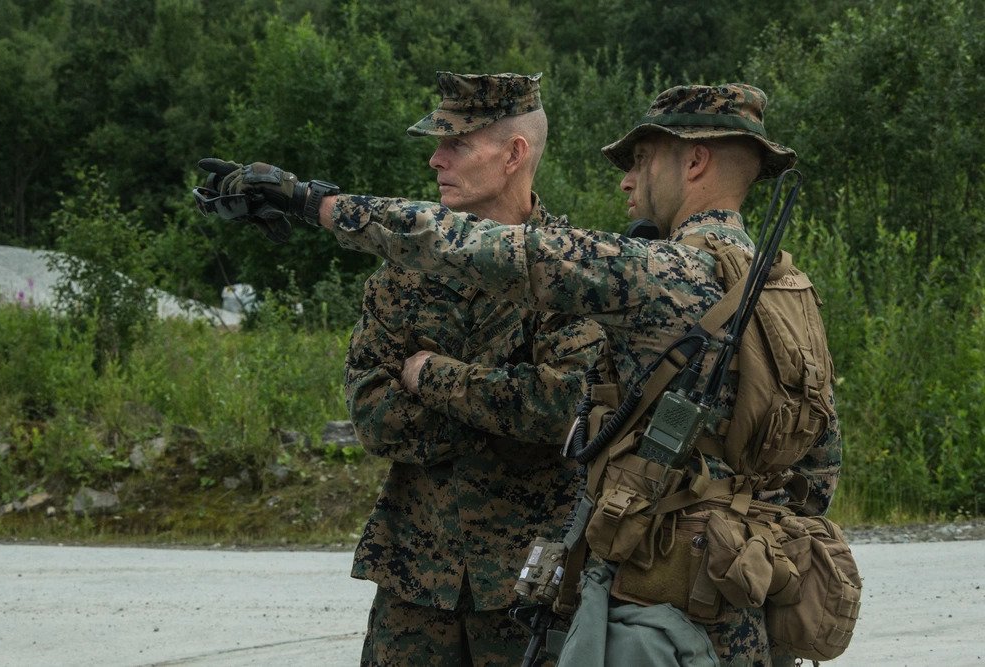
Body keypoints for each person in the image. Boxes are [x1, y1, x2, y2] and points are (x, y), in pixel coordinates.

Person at [201, 82, 843, 665]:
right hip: (744, 596)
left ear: (694, 161)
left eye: (641, 160)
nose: (627, 181)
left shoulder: (658, 273)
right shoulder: (788, 289)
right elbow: (817, 468)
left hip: (666, 602)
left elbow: (467, 246)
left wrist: (311, 201)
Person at [346, 72, 606, 665]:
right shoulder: (403, 273)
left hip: (532, 581)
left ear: (514, 154)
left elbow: (561, 407)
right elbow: (373, 417)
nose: (436, 159)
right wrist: (500, 408)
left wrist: (431, 377)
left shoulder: (574, 272)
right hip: (415, 577)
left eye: (457, 143)